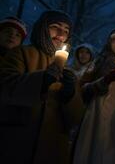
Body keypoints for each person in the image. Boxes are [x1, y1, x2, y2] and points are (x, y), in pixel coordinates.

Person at [0, 10, 84, 164]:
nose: (61, 34)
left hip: (52, 148)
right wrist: (41, 80)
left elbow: (75, 119)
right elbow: (6, 87)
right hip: (18, 143)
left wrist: (70, 96)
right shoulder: (21, 53)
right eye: (55, 27)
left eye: (66, 31)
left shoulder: (68, 72)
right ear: (42, 28)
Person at [73, 28, 115, 164]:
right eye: (114, 39)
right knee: (91, 150)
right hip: (95, 114)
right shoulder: (98, 62)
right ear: (109, 42)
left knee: (113, 152)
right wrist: (104, 81)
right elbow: (83, 89)